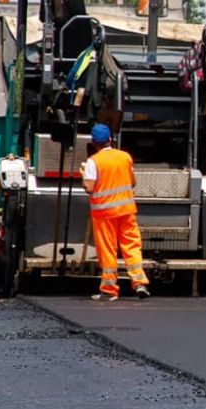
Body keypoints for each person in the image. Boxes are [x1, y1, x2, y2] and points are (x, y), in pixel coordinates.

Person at [80, 123, 149, 303]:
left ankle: (109, 290)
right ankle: (139, 282)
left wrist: (82, 175)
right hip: (126, 211)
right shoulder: (125, 157)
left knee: (108, 251)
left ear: (94, 142)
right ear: (110, 139)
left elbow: (89, 187)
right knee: (131, 246)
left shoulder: (93, 162)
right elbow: (132, 182)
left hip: (104, 213)